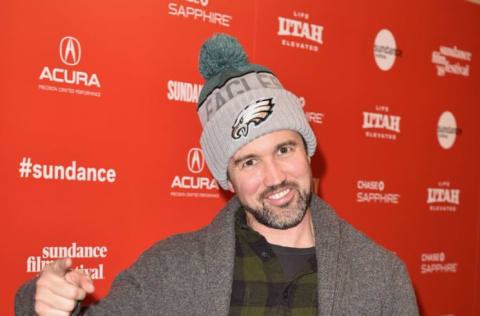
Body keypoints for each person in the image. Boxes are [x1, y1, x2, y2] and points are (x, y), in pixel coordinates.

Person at [15, 34, 419, 315]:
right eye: (249, 161)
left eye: (284, 149)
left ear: (307, 150)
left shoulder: (380, 276)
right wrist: (46, 302)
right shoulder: (171, 269)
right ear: (226, 178)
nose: (275, 176)